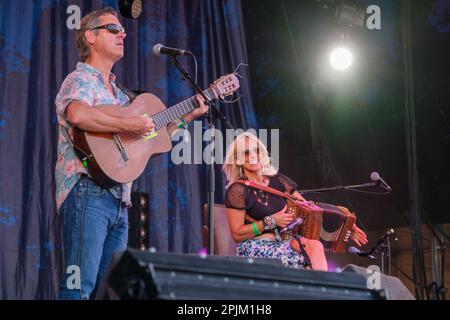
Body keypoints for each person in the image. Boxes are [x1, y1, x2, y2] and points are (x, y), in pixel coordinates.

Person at [55, 7, 207, 299]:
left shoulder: (121, 95)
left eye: (122, 30)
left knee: (108, 292)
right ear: (91, 36)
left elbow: (151, 138)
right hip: (88, 190)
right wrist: (129, 122)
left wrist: (187, 116)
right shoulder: (80, 80)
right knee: (78, 288)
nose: (122, 34)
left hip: (120, 202)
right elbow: (78, 114)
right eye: (113, 29)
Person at [223, 132, 368, 271]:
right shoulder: (238, 190)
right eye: (246, 153)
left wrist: (346, 227)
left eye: (257, 150)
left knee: (315, 246)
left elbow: (311, 210)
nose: (253, 155)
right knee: (304, 263)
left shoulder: (278, 180)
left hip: (284, 241)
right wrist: (270, 221)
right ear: (237, 160)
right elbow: (237, 234)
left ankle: (323, 291)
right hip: (257, 246)